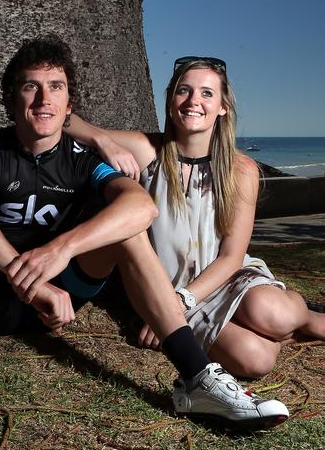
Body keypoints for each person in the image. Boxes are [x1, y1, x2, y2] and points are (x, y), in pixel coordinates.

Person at [0, 41, 288, 448]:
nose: (44, 99)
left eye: (56, 87)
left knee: (126, 228)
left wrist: (59, 250)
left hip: (64, 293)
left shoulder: (80, 158)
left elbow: (140, 208)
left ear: (69, 102)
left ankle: (197, 378)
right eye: (31, 87)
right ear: (10, 98)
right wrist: (23, 273)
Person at [66, 55, 325, 378]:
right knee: (256, 361)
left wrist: (180, 303)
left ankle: (310, 319)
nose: (193, 101)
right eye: (183, 91)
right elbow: (65, 120)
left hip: (224, 280)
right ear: (171, 100)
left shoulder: (241, 170)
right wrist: (101, 138)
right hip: (166, 290)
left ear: (222, 107)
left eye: (206, 93)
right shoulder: (149, 151)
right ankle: (277, 337)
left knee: (274, 313)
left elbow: (232, 257)